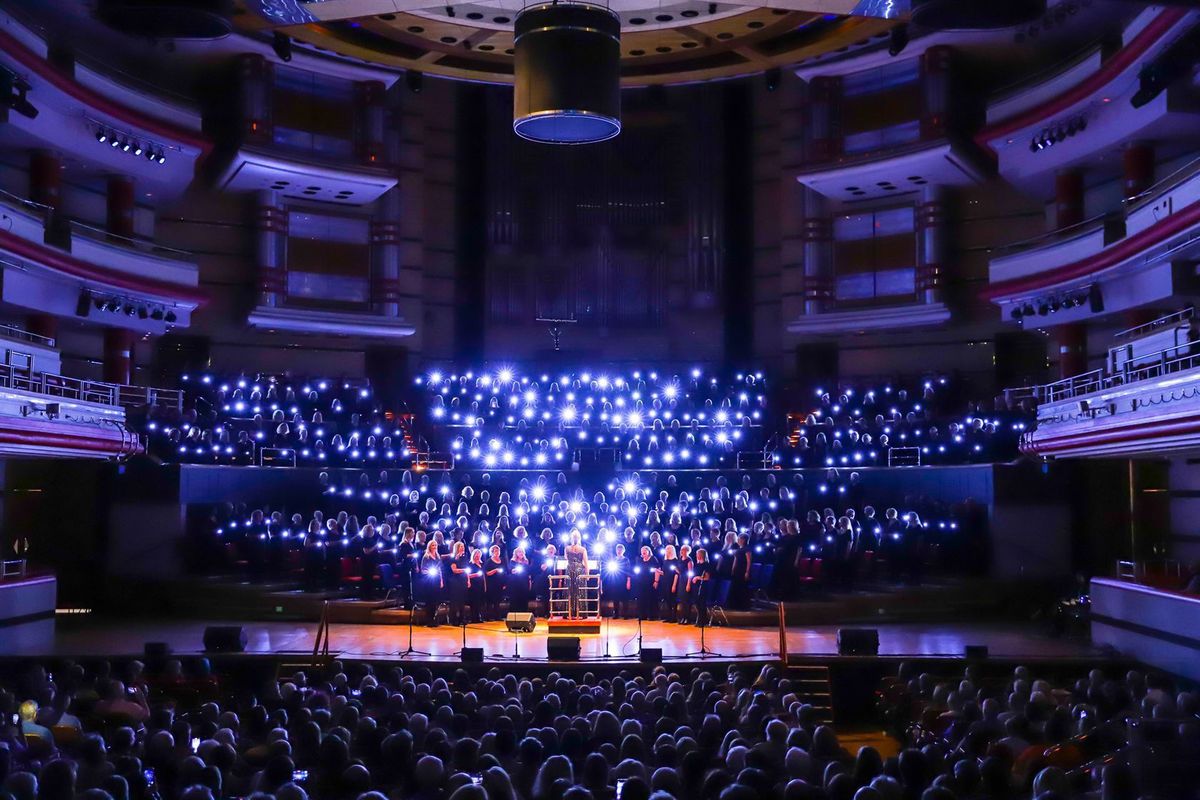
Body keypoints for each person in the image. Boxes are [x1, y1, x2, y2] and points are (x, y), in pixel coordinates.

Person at [564, 531, 590, 619]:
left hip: (571, 570)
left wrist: (587, 574)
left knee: (571, 591)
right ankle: (581, 613)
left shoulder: (567, 548)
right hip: (578, 571)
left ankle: (570, 613)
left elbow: (566, 559)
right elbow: (586, 563)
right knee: (578, 591)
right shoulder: (582, 549)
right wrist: (587, 574)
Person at [417, 541, 443, 626]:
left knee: (435, 601)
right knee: (430, 601)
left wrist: (441, 580)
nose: (434, 546)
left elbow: (440, 570)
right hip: (429, 581)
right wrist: (430, 572)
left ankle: (435, 620)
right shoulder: (426, 556)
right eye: (433, 545)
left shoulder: (438, 556)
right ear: (429, 546)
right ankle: (429, 620)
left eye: (435, 545)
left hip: (437, 580)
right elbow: (423, 569)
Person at [604, 543, 631, 618]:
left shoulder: (626, 560)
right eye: (618, 549)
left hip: (623, 581)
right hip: (615, 581)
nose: (619, 551)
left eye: (621, 549)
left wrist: (628, 581)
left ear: (623, 551)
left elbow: (628, 571)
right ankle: (616, 614)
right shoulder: (613, 560)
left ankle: (626, 614)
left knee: (624, 598)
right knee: (615, 598)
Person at [447, 541, 470, 626]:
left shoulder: (465, 558)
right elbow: (454, 570)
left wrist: (468, 580)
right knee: (455, 601)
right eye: (460, 547)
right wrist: (464, 570)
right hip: (455, 581)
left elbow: (467, 570)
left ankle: (462, 618)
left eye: (463, 546)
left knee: (462, 601)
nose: (462, 548)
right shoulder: (453, 558)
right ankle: (453, 619)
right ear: (457, 548)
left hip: (463, 580)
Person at [690, 547, 714, 627]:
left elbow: (707, 577)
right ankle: (699, 619)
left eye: (698, 554)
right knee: (697, 603)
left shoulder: (706, 565)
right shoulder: (697, 564)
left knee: (702, 604)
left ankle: (702, 620)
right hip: (696, 586)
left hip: (703, 586)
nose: (697, 556)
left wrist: (697, 578)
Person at [634, 545, 659, 620]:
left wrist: (656, 581)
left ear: (649, 551)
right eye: (642, 551)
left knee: (650, 599)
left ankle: (652, 616)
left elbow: (657, 570)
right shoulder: (640, 560)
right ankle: (642, 615)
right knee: (641, 599)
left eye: (645, 551)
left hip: (651, 582)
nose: (643, 552)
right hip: (641, 582)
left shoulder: (653, 559)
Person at [484, 545, 506, 620]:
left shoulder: (502, 560)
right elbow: (487, 573)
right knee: (490, 600)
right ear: (492, 552)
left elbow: (505, 571)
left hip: (500, 582)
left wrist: (504, 583)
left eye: (498, 551)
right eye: (495, 551)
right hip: (491, 583)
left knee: (498, 600)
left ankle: (497, 616)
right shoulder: (489, 561)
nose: (497, 552)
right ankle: (489, 616)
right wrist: (495, 570)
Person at [659, 545, 681, 622]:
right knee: (667, 599)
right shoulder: (665, 561)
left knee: (673, 599)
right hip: (665, 582)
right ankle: (668, 616)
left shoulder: (675, 561)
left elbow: (676, 574)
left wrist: (674, 585)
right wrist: (659, 572)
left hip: (672, 582)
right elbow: (664, 572)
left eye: (669, 549)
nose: (667, 551)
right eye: (666, 549)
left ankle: (674, 617)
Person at [466, 547, 487, 622]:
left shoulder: (481, 564)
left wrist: (485, 585)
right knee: (474, 601)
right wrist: (476, 575)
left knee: (479, 601)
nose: (478, 556)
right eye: (476, 554)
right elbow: (468, 575)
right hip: (474, 585)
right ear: (473, 555)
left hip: (480, 584)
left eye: (479, 554)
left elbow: (483, 575)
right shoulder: (470, 564)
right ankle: (473, 618)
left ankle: (478, 617)